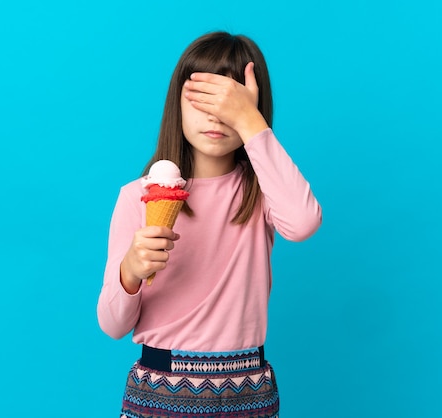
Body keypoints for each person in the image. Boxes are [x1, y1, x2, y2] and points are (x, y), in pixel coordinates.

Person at [97, 31, 322, 418]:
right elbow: (113, 325)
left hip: (248, 391)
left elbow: (302, 224)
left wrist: (251, 122)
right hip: (159, 391)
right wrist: (130, 271)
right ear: (177, 104)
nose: (216, 117)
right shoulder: (137, 196)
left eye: (231, 104)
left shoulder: (264, 191)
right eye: (202, 99)